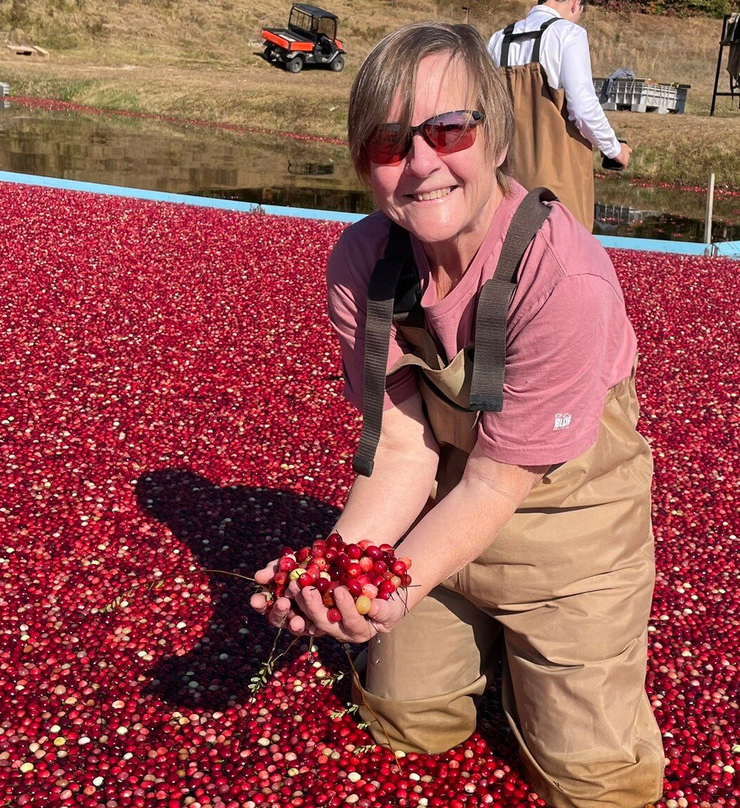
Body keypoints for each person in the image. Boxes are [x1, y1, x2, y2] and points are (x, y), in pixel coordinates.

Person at [250, 22, 663, 808]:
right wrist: (332, 568)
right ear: (362, 164)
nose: (423, 164)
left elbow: (496, 488)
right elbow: (406, 455)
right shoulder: (363, 266)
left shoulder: (563, 279)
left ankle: (543, 655)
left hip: (567, 539)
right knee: (408, 722)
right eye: (388, 142)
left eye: (449, 129)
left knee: (597, 786)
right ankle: (484, 639)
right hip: (441, 521)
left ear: (497, 137)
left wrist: (391, 592)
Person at [487, 0, 632, 232]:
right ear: (575, 3)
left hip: (506, 175)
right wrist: (614, 150)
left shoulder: (497, 40)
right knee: (562, 248)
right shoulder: (568, 34)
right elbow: (583, 109)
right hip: (558, 176)